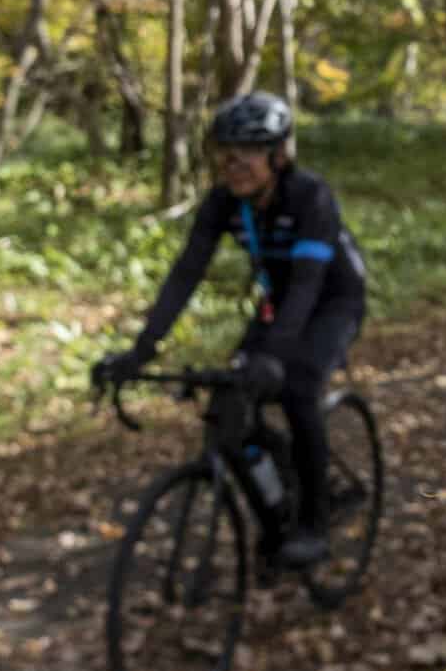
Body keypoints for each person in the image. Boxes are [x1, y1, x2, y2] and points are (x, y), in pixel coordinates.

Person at [93, 93, 367, 567]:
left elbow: (307, 285)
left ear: (279, 156)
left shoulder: (310, 197)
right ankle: (281, 501)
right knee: (228, 411)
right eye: (225, 152)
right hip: (280, 303)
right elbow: (185, 275)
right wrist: (141, 351)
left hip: (332, 299)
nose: (234, 162)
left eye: (249, 151)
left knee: (298, 386)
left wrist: (273, 358)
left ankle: (314, 523)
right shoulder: (223, 203)